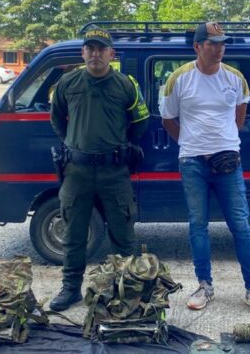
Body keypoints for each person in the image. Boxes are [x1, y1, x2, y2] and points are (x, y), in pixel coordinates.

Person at [159, 22, 250, 316]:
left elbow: (239, 119)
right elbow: (168, 120)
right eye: (213, 43)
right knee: (198, 225)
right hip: (192, 163)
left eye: (223, 43)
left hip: (228, 163)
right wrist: (191, 143)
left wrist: (224, 145)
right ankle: (204, 285)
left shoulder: (235, 78)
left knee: (241, 226)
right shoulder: (179, 79)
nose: (220, 48)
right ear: (197, 46)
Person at [48, 25, 149, 312]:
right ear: (83, 53)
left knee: (123, 235)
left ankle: (124, 291)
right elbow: (57, 119)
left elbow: (140, 122)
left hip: (114, 172)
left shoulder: (126, 85)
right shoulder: (67, 84)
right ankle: (70, 289)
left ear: (111, 54)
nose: (95, 54)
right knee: (73, 234)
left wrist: (123, 146)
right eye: (90, 48)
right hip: (76, 171)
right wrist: (74, 143)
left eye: (101, 49)